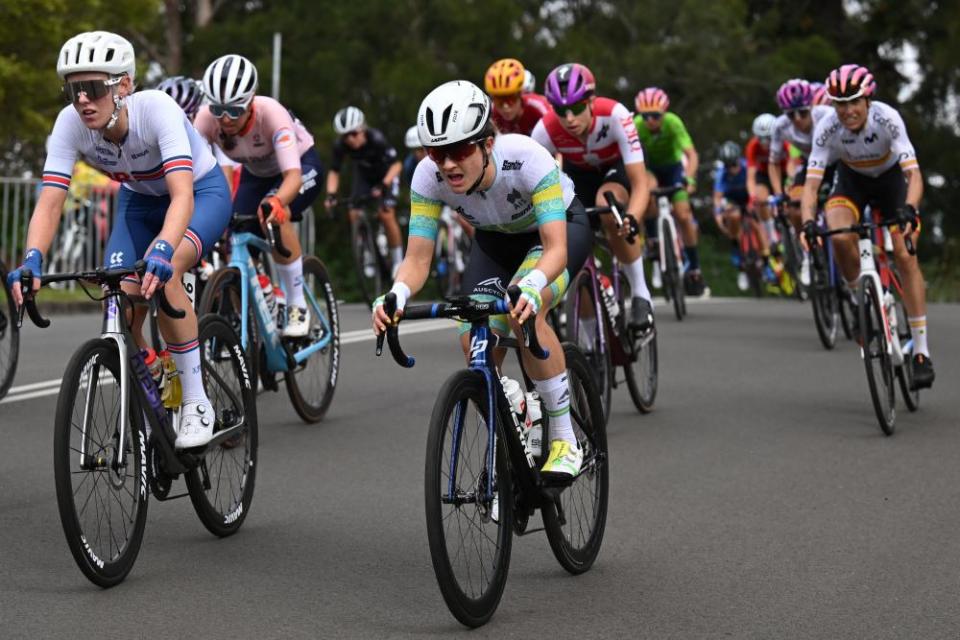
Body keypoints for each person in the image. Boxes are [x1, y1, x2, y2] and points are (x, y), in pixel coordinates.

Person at [8, 31, 232, 448]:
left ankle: (198, 401)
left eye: (92, 88)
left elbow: (182, 195)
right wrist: (32, 259)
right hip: (140, 201)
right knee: (120, 295)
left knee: (162, 273)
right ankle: (153, 371)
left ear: (124, 85)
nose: (82, 100)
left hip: (200, 194)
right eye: (73, 90)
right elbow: (50, 202)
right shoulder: (70, 125)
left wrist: (165, 249)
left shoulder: (157, 111)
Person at [373, 80, 593, 477]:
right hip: (495, 242)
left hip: (553, 233)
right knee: (471, 332)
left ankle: (564, 438)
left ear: (487, 144)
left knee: (524, 312)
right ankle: (511, 405)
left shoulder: (526, 158)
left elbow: (555, 248)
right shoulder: (427, 177)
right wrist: (396, 292)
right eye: (437, 153)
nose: (448, 165)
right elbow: (417, 259)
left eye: (459, 151)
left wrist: (531, 284)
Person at [800, 64, 934, 387]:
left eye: (854, 102)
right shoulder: (827, 129)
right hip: (852, 183)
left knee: (904, 254)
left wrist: (910, 210)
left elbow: (913, 174)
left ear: (868, 100)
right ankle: (859, 300)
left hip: (891, 184)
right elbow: (811, 186)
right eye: (839, 104)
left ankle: (920, 351)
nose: (847, 111)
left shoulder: (887, 118)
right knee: (839, 234)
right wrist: (806, 222)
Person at [194, 54, 323, 338]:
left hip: (300, 167)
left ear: (251, 100)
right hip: (257, 174)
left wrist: (277, 201)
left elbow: (292, 176)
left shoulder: (271, 113)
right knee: (233, 231)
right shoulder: (205, 120)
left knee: (274, 214)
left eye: (235, 110)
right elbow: (200, 174)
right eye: (217, 108)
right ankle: (263, 298)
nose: (225, 119)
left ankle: (297, 304)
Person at [531, 63, 653, 329]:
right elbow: (532, 183)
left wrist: (631, 216)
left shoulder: (616, 115)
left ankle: (642, 294)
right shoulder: (545, 130)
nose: (570, 118)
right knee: (573, 254)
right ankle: (587, 343)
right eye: (561, 111)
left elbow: (640, 183)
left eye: (576, 108)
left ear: (591, 101)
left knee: (606, 204)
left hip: (615, 170)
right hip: (579, 176)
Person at [633, 87, 706, 296]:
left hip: (674, 168)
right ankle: (654, 241)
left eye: (655, 116)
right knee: (647, 192)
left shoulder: (673, 122)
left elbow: (691, 155)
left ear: (663, 113)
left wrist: (689, 178)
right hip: (651, 169)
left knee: (683, 214)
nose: (650, 121)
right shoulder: (636, 126)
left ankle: (694, 265)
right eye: (645, 116)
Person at [768, 79, 834, 285]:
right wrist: (779, 193)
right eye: (791, 114)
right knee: (793, 208)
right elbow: (773, 162)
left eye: (803, 113)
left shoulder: (827, 115)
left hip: (838, 163)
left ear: (812, 107)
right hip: (811, 165)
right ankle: (808, 253)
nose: (797, 119)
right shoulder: (780, 126)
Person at [325, 107, 404, 275]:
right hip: (365, 177)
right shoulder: (341, 146)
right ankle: (368, 251)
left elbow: (397, 165)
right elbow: (334, 171)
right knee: (353, 212)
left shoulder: (376, 139)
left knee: (386, 214)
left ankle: (398, 261)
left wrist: (384, 185)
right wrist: (331, 194)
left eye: (353, 134)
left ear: (363, 129)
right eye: (345, 136)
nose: (350, 139)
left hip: (387, 175)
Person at [712, 141, 753, 291]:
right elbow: (717, 197)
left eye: (734, 164)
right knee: (733, 216)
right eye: (728, 166)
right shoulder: (721, 174)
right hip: (732, 200)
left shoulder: (747, 166)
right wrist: (718, 214)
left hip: (748, 195)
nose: (732, 169)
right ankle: (738, 254)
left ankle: (767, 255)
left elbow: (754, 184)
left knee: (757, 217)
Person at [484, 58, 550, 136]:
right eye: (499, 101)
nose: (505, 106)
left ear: (521, 94)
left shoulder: (537, 106)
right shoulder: (492, 113)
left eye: (511, 99)